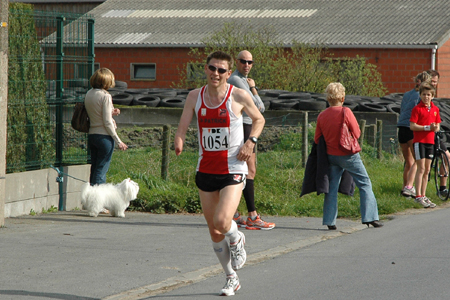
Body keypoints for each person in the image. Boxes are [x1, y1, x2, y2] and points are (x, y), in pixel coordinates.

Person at [174, 51, 265, 296]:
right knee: (214, 231)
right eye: (212, 68)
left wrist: (251, 142)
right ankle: (230, 278)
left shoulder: (238, 95)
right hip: (206, 169)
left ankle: (237, 238)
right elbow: (182, 125)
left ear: (228, 73)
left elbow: (259, 119)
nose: (216, 74)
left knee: (223, 221)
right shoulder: (195, 96)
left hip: (233, 168)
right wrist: (179, 140)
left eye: (221, 70)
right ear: (205, 69)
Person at [315, 82, 383, 230]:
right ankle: (369, 217)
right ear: (343, 97)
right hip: (348, 155)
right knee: (364, 183)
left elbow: (317, 139)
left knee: (331, 187)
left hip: (331, 155)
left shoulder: (322, 115)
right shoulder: (346, 112)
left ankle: (330, 221)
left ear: (328, 98)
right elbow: (357, 133)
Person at [227, 50, 275, 230]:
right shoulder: (237, 80)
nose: (247, 65)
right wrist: (254, 88)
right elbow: (260, 107)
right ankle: (251, 215)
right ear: (236, 62)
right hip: (245, 126)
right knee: (248, 171)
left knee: (246, 169)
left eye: (250, 62)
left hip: (248, 125)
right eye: (243, 61)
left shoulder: (241, 80)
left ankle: (236, 213)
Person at [85, 68, 128, 186]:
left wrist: (111, 111)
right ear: (106, 82)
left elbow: (95, 112)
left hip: (92, 135)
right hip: (104, 138)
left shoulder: (89, 93)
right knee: (101, 172)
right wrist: (118, 141)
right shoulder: (105, 96)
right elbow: (107, 122)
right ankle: (99, 201)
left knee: (94, 170)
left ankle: (91, 198)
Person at [397, 72, 431, 197]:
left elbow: (402, 110)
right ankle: (410, 187)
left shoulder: (406, 94)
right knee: (418, 160)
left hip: (401, 128)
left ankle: (404, 189)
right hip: (411, 129)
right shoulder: (420, 96)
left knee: (408, 162)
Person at [410, 82, 441, 208]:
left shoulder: (435, 109)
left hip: (430, 142)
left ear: (432, 96)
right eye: (424, 94)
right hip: (419, 141)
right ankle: (418, 195)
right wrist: (427, 127)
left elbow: (437, 126)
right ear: (420, 95)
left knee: (427, 169)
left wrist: (434, 128)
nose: (426, 97)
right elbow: (412, 125)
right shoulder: (417, 109)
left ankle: (423, 194)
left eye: (428, 95)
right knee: (421, 168)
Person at [427, 69, 449, 196]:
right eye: (432, 81)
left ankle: (443, 187)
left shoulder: (434, 100)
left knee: (447, 156)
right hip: (424, 135)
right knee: (423, 165)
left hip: (434, 134)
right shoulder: (422, 96)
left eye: (436, 82)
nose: (434, 84)